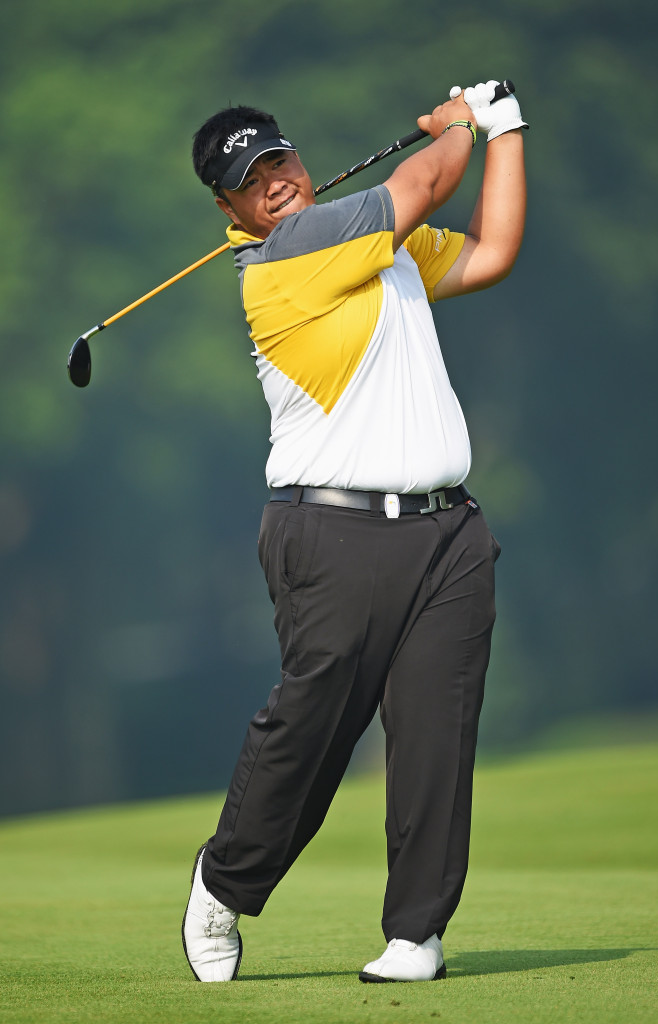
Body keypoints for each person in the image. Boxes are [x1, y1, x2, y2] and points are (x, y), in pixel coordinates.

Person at [182, 80, 527, 984]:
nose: (277, 184)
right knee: (314, 732)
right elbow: (424, 185)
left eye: (280, 162)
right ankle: (224, 883)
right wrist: (458, 126)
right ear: (231, 209)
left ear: (299, 157)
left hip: (446, 534)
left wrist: (508, 133)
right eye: (252, 181)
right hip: (330, 534)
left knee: (434, 735)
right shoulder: (286, 255)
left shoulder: (372, 242)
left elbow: (491, 254)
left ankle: (416, 934)